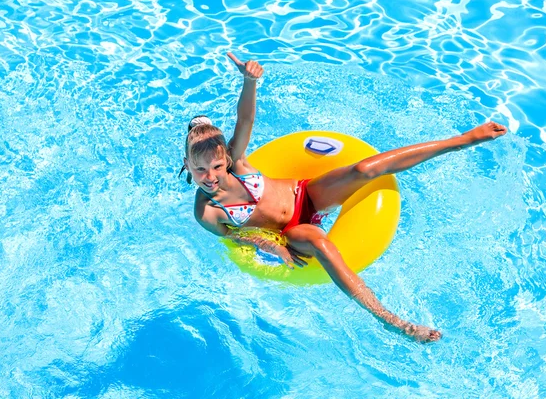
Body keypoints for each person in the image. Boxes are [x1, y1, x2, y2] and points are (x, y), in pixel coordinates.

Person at [179, 53, 507, 342]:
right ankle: (395, 322)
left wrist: (250, 82)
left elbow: (246, 119)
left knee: (364, 169)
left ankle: (461, 140)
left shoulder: (237, 161)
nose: (210, 176)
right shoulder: (206, 211)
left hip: (304, 194)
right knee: (320, 244)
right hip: (288, 233)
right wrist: (272, 245)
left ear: (226, 159)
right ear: (187, 167)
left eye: (216, 166)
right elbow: (238, 237)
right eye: (199, 170)